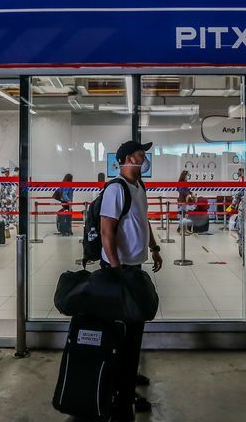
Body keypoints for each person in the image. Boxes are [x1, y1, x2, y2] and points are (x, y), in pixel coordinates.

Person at [99, 140, 163, 422]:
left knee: (134, 330)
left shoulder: (139, 187)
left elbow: (142, 220)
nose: (144, 159)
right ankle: (121, 399)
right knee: (123, 333)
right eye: (141, 155)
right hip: (119, 270)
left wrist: (154, 247)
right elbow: (106, 231)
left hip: (134, 268)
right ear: (127, 158)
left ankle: (128, 376)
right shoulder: (116, 188)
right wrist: (115, 271)